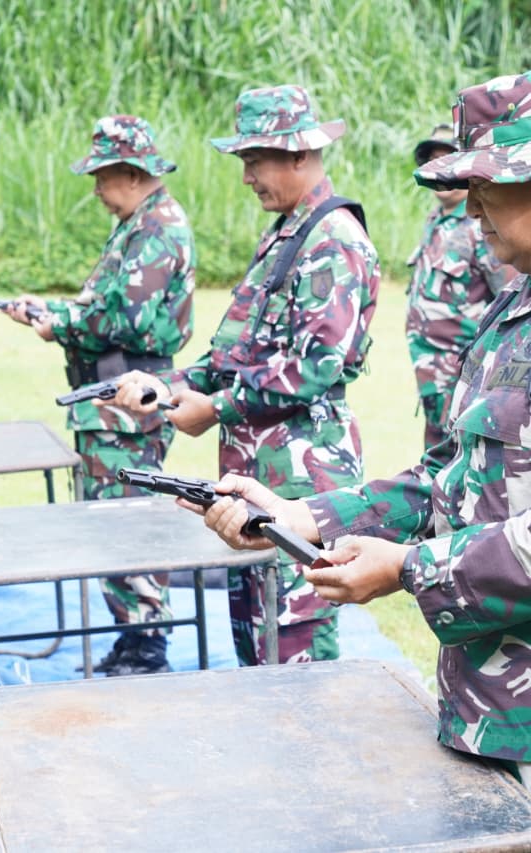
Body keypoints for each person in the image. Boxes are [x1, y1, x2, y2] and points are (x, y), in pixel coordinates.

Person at [193, 65, 531, 851]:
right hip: (497, 695)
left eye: (486, 187)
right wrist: (302, 514)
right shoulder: (528, 304)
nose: (468, 209)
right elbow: (449, 477)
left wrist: (407, 569)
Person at [110, 85, 379, 666]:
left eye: (255, 161)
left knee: (297, 652)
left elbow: (317, 365)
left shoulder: (333, 242)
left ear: (300, 156)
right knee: (255, 642)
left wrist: (218, 408)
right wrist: (170, 386)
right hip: (252, 476)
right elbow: (234, 354)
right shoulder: (287, 234)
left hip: (301, 480)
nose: (246, 177)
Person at [4, 115, 195, 675]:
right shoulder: (139, 223)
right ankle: (133, 635)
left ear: (130, 174)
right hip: (112, 400)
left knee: (126, 522)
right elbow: (107, 303)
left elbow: (125, 317)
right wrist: (56, 312)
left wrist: (57, 322)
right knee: (111, 520)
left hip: (128, 405)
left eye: (102, 178)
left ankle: (146, 643)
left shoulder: (157, 227)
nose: (96, 191)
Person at [405, 122, 512, 453]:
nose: (442, 171)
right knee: (435, 455)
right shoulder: (434, 220)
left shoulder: (480, 228)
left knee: (459, 455)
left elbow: (508, 298)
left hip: (462, 369)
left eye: (449, 160)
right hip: (430, 369)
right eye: (434, 161)